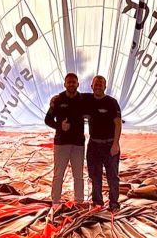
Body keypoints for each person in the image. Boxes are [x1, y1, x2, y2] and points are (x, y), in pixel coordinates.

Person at [44, 72, 87, 210]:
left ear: (78, 84)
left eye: (73, 82)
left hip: (78, 143)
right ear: (65, 84)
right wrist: (59, 126)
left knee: (78, 175)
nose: (71, 84)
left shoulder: (83, 99)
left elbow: (98, 102)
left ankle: (79, 201)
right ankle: (55, 201)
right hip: (61, 143)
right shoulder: (58, 100)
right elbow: (47, 119)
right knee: (58, 174)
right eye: (69, 82)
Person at [86, 75, 122, 211]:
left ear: (105, 87)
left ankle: (114, 203)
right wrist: (55, 99)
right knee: (95, 176)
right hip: (94, 144)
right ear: (92, 86)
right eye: (96, 84)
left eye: (101, 84)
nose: (98, 86)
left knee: (112, 176)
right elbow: (73, 96)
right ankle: (97, 202)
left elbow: (118, 124)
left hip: (109, 145)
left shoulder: (112, 102)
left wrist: (116, 144)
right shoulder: (87, 100)